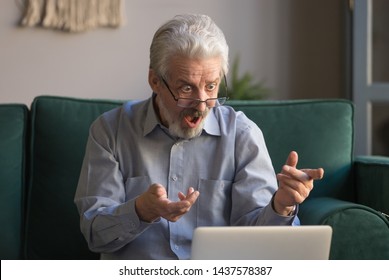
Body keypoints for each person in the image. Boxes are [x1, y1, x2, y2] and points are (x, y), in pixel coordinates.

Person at [74, 14, 324, 260]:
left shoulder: (242, 136)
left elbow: (261, 245)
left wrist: (281, 207)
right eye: (186, 88)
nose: (202, 105)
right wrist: (140, 211)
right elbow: (95, 234)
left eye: (211, 86)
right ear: (155, 81)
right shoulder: (110, 132)